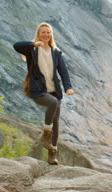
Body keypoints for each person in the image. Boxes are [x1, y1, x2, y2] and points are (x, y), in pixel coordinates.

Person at [13, 22, 74, 165]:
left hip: (55, 90)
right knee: (52, 103)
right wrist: (34, 44)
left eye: (48, 32)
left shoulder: (56, 52)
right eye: (43, 32)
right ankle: (46, 133)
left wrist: (68, 87)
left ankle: (52, 154)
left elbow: (63, 71)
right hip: (38, 90)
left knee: (56, 123)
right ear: (39, 34)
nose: (46, 35)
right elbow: (16, 45)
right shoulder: (32, 50)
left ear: (51, 35)